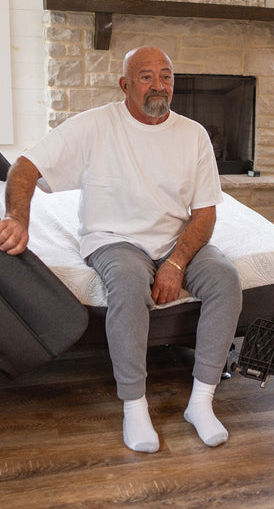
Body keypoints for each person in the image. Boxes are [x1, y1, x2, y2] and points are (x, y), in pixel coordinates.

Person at [0, 46, 243, 452]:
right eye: (146, 76)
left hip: (174, 239)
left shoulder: (194, 134)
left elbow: (204, 215)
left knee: (226, 278)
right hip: (113, 238)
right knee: (129, 286)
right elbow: (25, 167)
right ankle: (135, 406)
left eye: (166, 75)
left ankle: (201, 402)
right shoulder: (95, 125)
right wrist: (19, 219)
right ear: (125, 85)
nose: (158, 85)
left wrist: (177, 262)